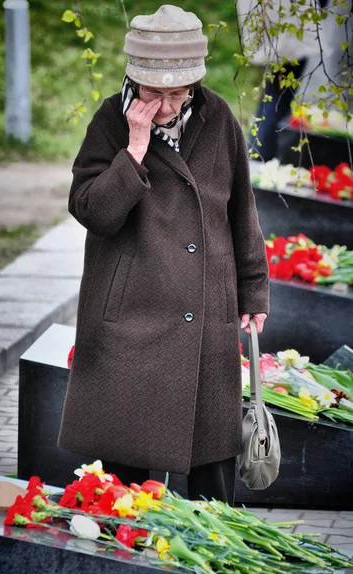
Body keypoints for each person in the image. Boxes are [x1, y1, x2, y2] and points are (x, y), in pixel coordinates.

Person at [58, 5, 269, 505]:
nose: (168, 104)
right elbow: (91, 210)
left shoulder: (218, 118)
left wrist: (253, 287)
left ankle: (205, 570)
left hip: (204, 310)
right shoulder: (111, 119)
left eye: (178, 93)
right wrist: (133, 148)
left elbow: (242, 210)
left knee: (211, 478)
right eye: (156, 92)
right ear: (136, 79)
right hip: (130, 317)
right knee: (123, 487)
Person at [237, 0, 329, 161]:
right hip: (291, 26)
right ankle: (259, 156)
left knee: (277, 94)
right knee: (278, 95)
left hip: (289, 23)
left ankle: (258, 155)